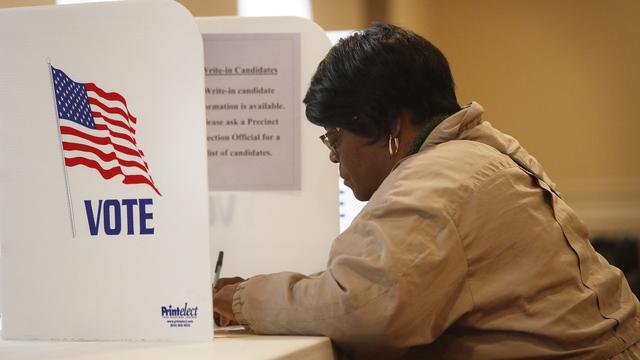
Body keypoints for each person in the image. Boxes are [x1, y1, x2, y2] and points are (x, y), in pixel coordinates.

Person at [213, 23, 640, 359]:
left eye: (335, 137)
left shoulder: (438, 181)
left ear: (390, 126)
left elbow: (364, 310)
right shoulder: (478, 152)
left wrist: (243, 298)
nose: (333, 156)